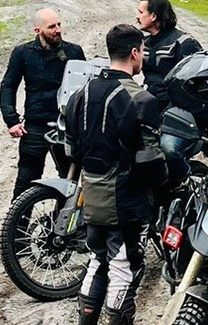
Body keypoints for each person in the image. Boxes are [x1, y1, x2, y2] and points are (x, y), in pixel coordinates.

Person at [65, 24, 167, 325]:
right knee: (124, 268)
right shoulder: (141, 100)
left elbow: (71, 151)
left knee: (97, 261)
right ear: (135, 53)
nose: (143, 57)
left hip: (92, 199)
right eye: (143, 51)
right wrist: (165, 182)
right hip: (126, 203)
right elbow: (150, 160)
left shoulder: (79, 94)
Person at [0, 8, 85, 198]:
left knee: (70, 182)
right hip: (35, 126)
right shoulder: (22, 53)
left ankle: (62, 217)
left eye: (59, 24)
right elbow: (8, 86)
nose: (58, 30)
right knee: (25, 181)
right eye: (52, 26)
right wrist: (11, 120)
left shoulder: (74, 52)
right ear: (38, 31)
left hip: (67, 126)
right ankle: (18, 218)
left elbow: (85, 88)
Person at [136, 0, 202, 108]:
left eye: (141, 12)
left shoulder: (183, 43)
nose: (137, 17)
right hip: (149, 103)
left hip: (175, 108)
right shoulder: (143, 43)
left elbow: (194, 83)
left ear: (153, 16)